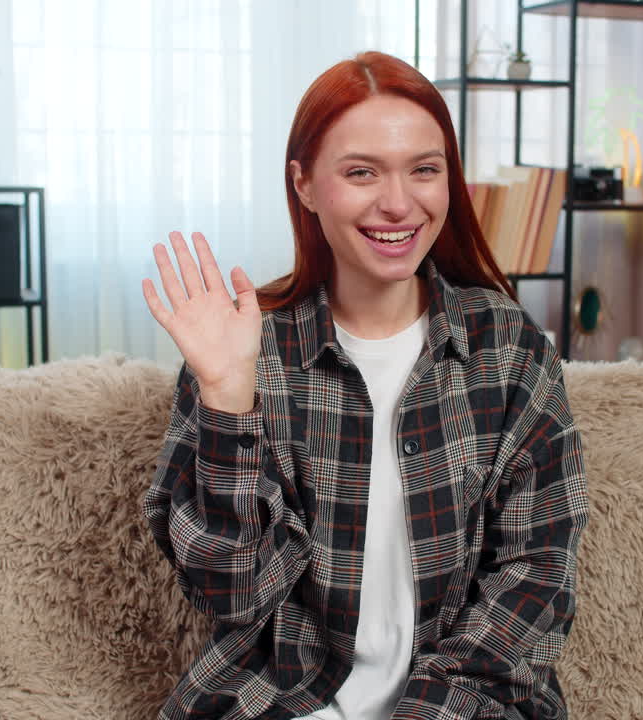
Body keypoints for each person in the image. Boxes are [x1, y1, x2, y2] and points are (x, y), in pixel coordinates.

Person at [142, 51, 589, 720]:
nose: (398, 203)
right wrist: (228, 397)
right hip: (278, 704)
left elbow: (538, 577)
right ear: (305, 184)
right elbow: (232, 594)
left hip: (465, 706)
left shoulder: (508, 350)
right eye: (361, 172)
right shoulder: (244, 346)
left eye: (424, 170)